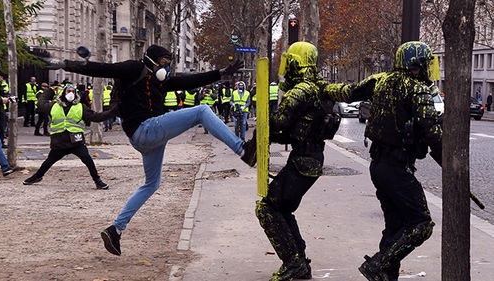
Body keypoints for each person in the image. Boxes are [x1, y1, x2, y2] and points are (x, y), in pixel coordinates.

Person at [39, 44, 255, 256]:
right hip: (146, 129)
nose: (166, 67)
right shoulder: (134, 69)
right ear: (151, 60)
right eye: (163, 62)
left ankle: (115, 229)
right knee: (202, 111)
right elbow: (102, 68)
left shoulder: (160, 83)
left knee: (151, 184)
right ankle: (242, 150)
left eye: (169, 63)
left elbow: (189, 80)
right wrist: (64, 64)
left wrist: (220, 73)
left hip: (143, 137)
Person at [251, 41, 370, 281]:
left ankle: (294, 263)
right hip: (311, 158)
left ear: (296, 63)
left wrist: (262, 124)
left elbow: (279, 124)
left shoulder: (302, 90)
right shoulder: (319, 87)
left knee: (267, 209)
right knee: (282, 208)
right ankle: (299, 261)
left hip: (303, 161)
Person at [340, 41, 442, 281]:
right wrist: (451, 167)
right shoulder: (417, 89)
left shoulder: (380, 80)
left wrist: (318, 88)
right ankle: (379, 265)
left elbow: (348, 91)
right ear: (417, 65)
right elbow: (433, 134)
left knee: (395, 225)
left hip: (378, 165)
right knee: (421, 223)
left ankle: (386, 276)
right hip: (396, 168)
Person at [22, 84, 112, 189]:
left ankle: (97, 181)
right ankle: (37, 176)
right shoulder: (54, 106)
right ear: (64, 93)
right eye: (68, 91)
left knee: (87, 159)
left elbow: (96, 117)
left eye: (73, 91)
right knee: (49, 161)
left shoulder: (81, 107)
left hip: (75, 142)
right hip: (59, 142)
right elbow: (41, 102)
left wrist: (112, 112)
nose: (70, 93)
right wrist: (50, 91)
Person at [0, 62, 16, 176]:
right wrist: (0, 101)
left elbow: (3, 93)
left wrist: (10, 96)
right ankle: (5, 167)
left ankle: (5, 167)